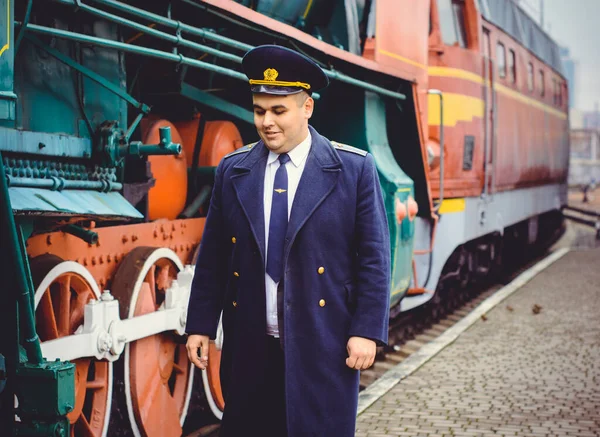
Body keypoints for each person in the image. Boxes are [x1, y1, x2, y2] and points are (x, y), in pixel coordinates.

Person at [186, 44, 391, 437]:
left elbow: (374, 259)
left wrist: (366, 331)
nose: (266, 122)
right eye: (259, 110)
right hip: (250, 348)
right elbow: (212, 256)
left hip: (323, 343)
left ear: (307, 107)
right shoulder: (234, 171)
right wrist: (200, 324)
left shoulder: (353, 169)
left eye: (279, 111)